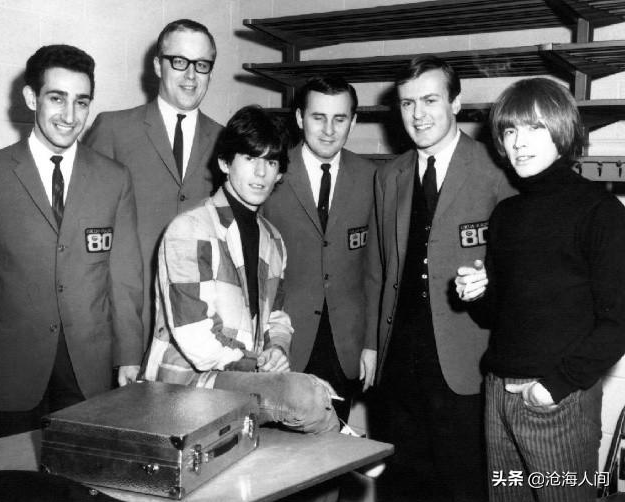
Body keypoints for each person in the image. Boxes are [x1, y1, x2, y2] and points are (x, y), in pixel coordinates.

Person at [455, 77, 625, 502]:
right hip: (497, 393)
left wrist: (554, 387)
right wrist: (476, 293)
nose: (519, 142)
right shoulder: (506, 213)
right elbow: (495, 315)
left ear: (562, 131)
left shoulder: (600, 211)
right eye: (510, 130)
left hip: (557, 397)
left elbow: (619, 321)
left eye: (535, 128)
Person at [367, 55, 516, 501]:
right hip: (398, 365)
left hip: (465, 362)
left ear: (455, 103)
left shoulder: (495, 169)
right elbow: (378, 269)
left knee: (462, 485)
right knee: (399, 485)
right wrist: (372, 345)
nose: (418, 115)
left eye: (430, 100)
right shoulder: (389, 176)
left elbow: (516, 270)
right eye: (407, 103)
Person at [142, 105, 339, 434]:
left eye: (271, 162)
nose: (261, 173)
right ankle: (343, 435)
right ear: (224, 163)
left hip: (240, 380)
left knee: (310, 397)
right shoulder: (189, 229)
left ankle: (341, 439)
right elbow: (197, 341)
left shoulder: (272, 240)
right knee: (305, 395)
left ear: (280, 173)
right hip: (186, 386)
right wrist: (261, 367)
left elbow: (276, 317)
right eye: (250, 158)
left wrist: (277, 349)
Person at [0, 45, 143, 439]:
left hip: (87, 369)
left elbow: (124, 277)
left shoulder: (114, 178)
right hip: (7, 368)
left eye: (81, 102)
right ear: (31, 98)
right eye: (57, 98)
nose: (70, 116)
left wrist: (128, 355)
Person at [85, 19, 223, 345]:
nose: (191, 75)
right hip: (127, 320)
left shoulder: (226, 140)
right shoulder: (113, 129)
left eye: (201, 65)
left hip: (201, 325)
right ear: (158, 66)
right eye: (179, 62)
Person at [262, 76, 377, 425]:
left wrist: (371, 344)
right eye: (318, 117)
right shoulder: (270, 171)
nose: (328, 130)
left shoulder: (373, 178)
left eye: (339, 119)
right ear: (299, 118)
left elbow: (377, 271)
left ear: (353, 122)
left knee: (334, 446)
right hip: (282, 343)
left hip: (346, 347)